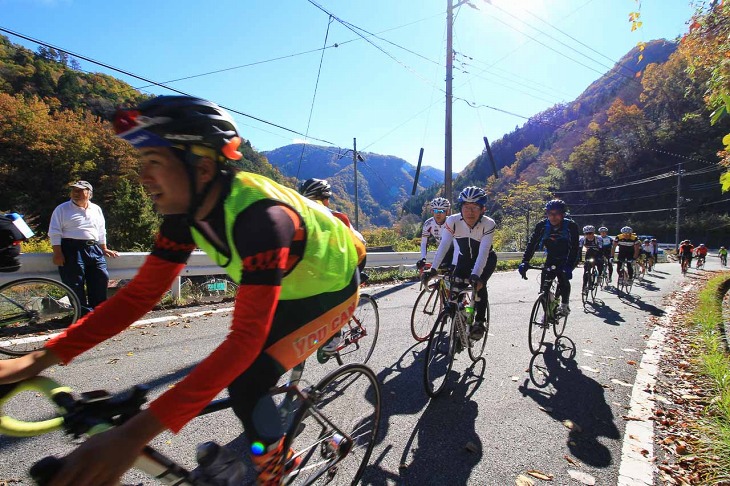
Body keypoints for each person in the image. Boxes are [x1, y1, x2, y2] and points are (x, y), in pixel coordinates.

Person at [0, 96, 366, 485]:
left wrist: (132, 436)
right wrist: (36, 360)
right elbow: (139, 297)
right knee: (246, 375)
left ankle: (276, 465)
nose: (143, 176)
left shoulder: (261, 218)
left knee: (247, 382)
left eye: (154, 163)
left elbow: (242, 342)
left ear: (203, 167)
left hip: (331, 292)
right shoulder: (185, 213)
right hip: (286, 286)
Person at [423, 186, 497, 340]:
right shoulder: (453, 221)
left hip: (486, 260)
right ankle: (460, 318)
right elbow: (444, 245)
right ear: (460, 208)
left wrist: (476, 275)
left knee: (479, 287)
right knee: (454, 292)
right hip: (464, 260)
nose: (470, 212)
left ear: (483, 209)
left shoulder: (488, 224)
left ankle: (480, 321)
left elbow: (483, 253)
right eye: (466, 207)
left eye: (475, 207)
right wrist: (433, 269)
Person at [48, 180, 119, 313]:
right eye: (74, 190)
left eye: (81, 191)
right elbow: (54, 232)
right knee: (75, 284)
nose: (76, 193)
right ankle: (83, 316)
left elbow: (101, 230)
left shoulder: (96, 209)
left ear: (89, 193)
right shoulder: (62, 209)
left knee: (100, 279)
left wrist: (104, 248)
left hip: (94, 248)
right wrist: (57, 253)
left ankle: (98, 313)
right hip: (71, 249)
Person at [518, 199, 580, 316]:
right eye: (550, 213)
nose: (553, 217)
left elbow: (575, 248)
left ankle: (564, 305)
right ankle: (547, 313)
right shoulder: (542, 226)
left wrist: (569, 266)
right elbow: (532, 244)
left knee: (563, 279)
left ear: (563, 214)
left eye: (556, 213)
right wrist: (525, 261)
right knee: (544, 287)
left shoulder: (571, 226)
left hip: (567, 256)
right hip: (551, 256)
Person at [417, 197, 454, 271]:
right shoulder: (428, 224)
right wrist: (423, 258)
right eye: (436, 210)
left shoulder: (452, 222)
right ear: (432, 211)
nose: (438, 214)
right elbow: (424, 242)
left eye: (441, 211)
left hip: (455, 249)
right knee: (440, 269)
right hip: (442, 249)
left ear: (447, 212)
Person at [578, 225, 604, 293]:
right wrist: (580, 259)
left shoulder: (598, 239)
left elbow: (601, 249)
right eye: (586, 233)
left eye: (590, 233)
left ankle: (600, 275)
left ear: (593, 233)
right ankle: (584, 287)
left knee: (600, 263)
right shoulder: (582, 239)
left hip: (597, 253)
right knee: (586, 271)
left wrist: (600, 257)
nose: (589, 235)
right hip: (588, 254)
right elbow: (579, 250)